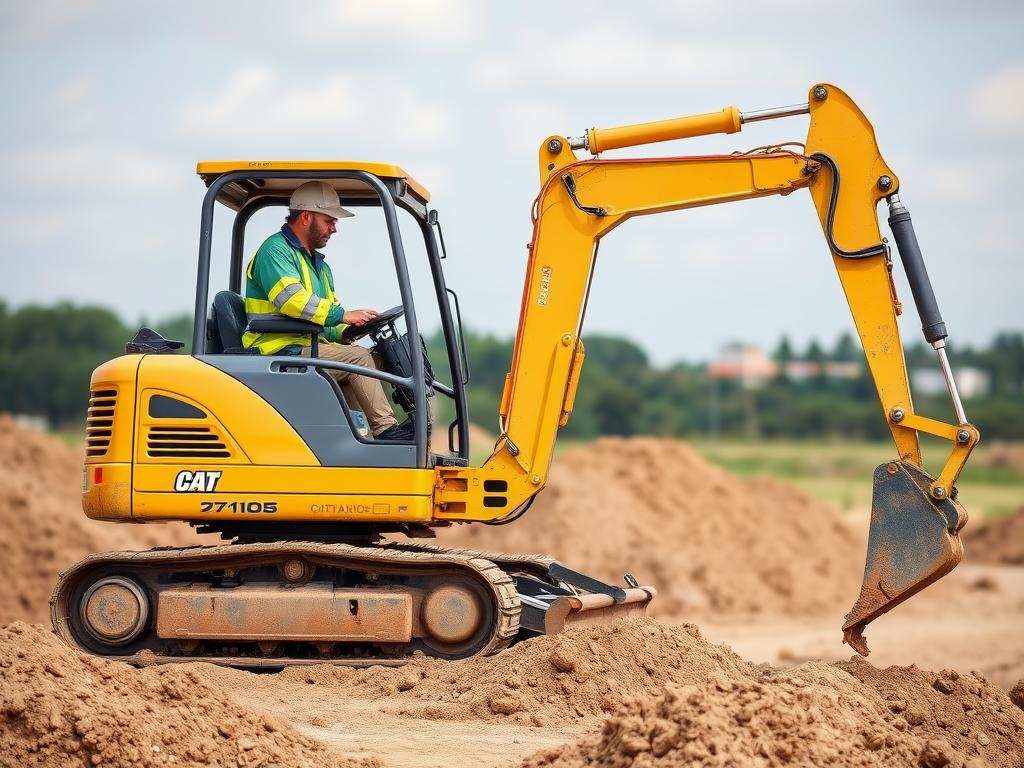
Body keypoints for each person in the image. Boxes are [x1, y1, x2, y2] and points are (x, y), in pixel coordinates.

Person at [242, 181, 413, 441]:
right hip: (276, 350)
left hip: (306, 347)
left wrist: (347, 330)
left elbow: (324, 321)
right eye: (329, 221)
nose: (334, 228)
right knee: (358, 360)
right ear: (306, 217)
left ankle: (362, 438)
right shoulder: (274, 252)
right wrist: (342, 315)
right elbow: (291, 301)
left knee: (374, 359)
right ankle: (387, 430)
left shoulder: (320, 267)